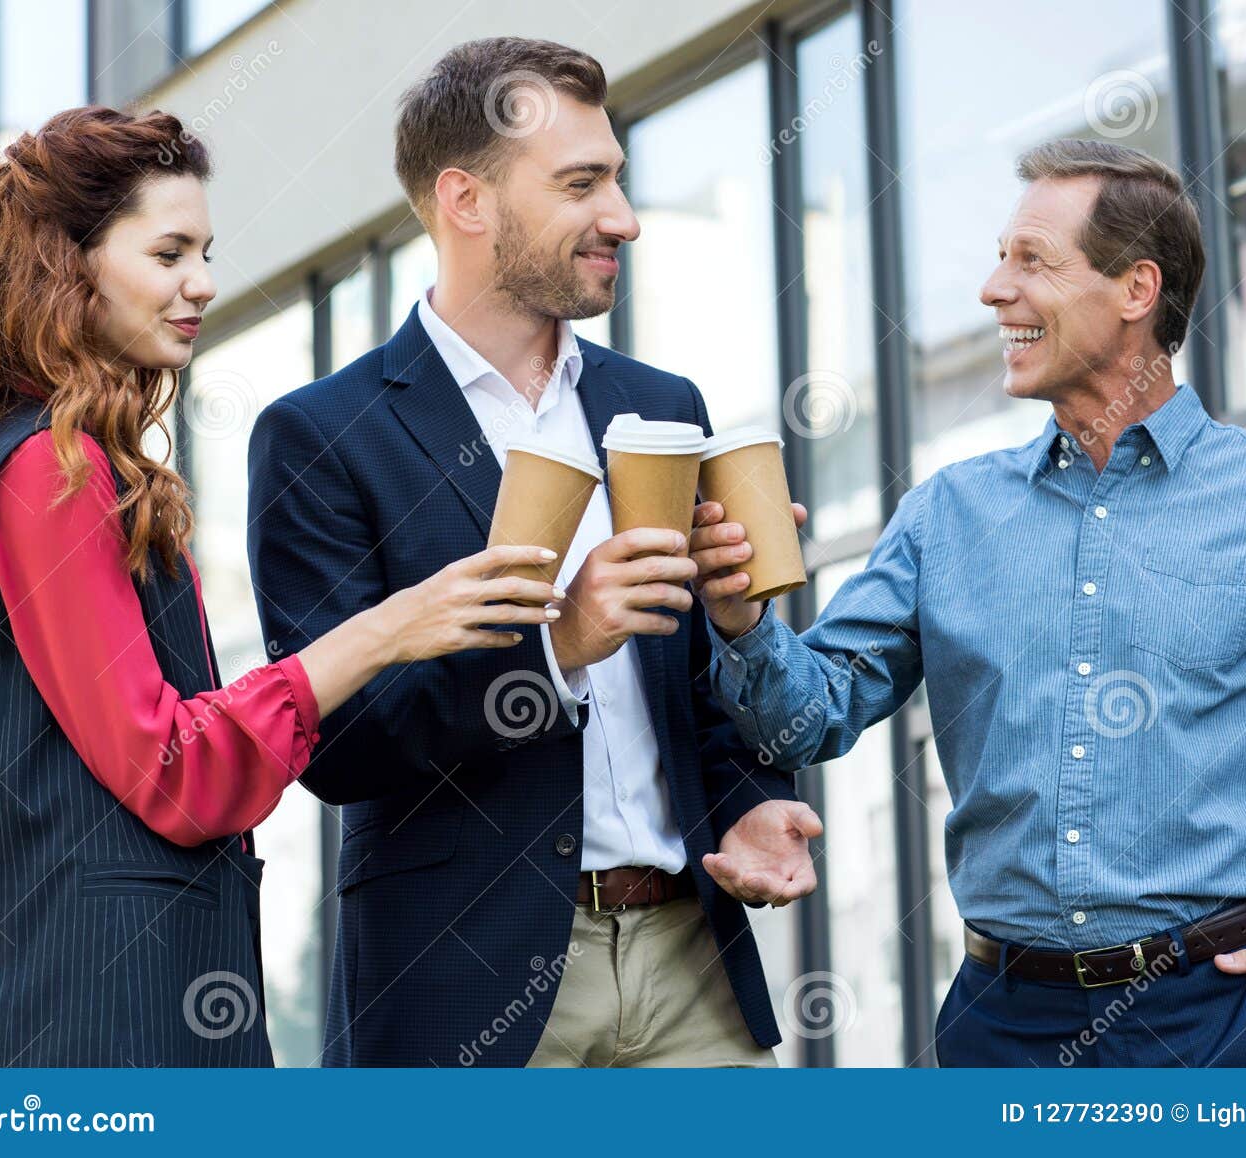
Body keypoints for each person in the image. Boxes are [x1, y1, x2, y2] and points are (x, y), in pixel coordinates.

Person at [694, 137, 1246, 1067]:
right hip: (999, 1026)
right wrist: (741, 619)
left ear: (1137, 291)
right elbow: (810, 719)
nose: (991, 290)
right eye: (998, 258)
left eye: (1031, 261)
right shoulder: (950, 513)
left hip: (1224, 1023)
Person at [0, 106, 561, 1067]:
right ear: (66, 268)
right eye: (168, 253)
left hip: (88, 1008)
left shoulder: (46, 463)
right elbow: (176, 772)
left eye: (204, 250)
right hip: (112, 1024)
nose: (201, 282)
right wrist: (387, 629)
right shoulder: (50, 471)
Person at [248, 37, 819, 1068]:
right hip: (467, 987)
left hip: (691, 968)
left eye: (620, 180)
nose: (624, 219)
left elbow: (686, 700)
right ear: (466, 200)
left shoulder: (658, 407)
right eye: (581, 184)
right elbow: (333, 745)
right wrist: (559, 644)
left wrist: (743, 805)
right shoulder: (323, 438)